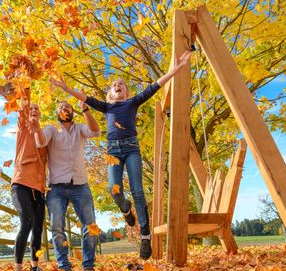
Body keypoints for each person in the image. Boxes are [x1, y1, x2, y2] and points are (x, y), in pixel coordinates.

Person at [51, 50, 192, 260]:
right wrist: (65, 88)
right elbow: (85, 97)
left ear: (125, 92)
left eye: (122, 85)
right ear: (110, 93)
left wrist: (177, 69)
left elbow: (155, 86)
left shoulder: (132, 102)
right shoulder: (106, 107)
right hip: (113, 151)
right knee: (114, 189)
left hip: (132, 148)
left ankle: (145, 236)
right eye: (115, 85)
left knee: (137, 190)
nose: (118, 86)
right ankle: (126, 210)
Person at [36, 100, 101, 271]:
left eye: (67, 107)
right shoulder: (51, 129)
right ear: (57, 113)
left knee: (90, 225)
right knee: (57, 227)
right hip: (56, 187)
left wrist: (85, 109)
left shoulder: (80, 128)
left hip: (80, 184)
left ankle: (88, 265)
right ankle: (64, 265)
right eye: (61, 107)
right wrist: (35, 124)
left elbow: (95, 131)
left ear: (73, 111)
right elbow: (40, 141)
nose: (64, 109)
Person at [11, 87, 48, 271]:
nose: (33, 111)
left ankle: (35, 267)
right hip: (21, 183)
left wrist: (38, 129)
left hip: (39, 189)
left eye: (37, 110)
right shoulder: (23, 129)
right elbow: (23, 109)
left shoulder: (41, 135)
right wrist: (25, 86)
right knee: (26, 221)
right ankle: (18, 267)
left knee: (38, 228)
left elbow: (43, 146)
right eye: (31, 109)